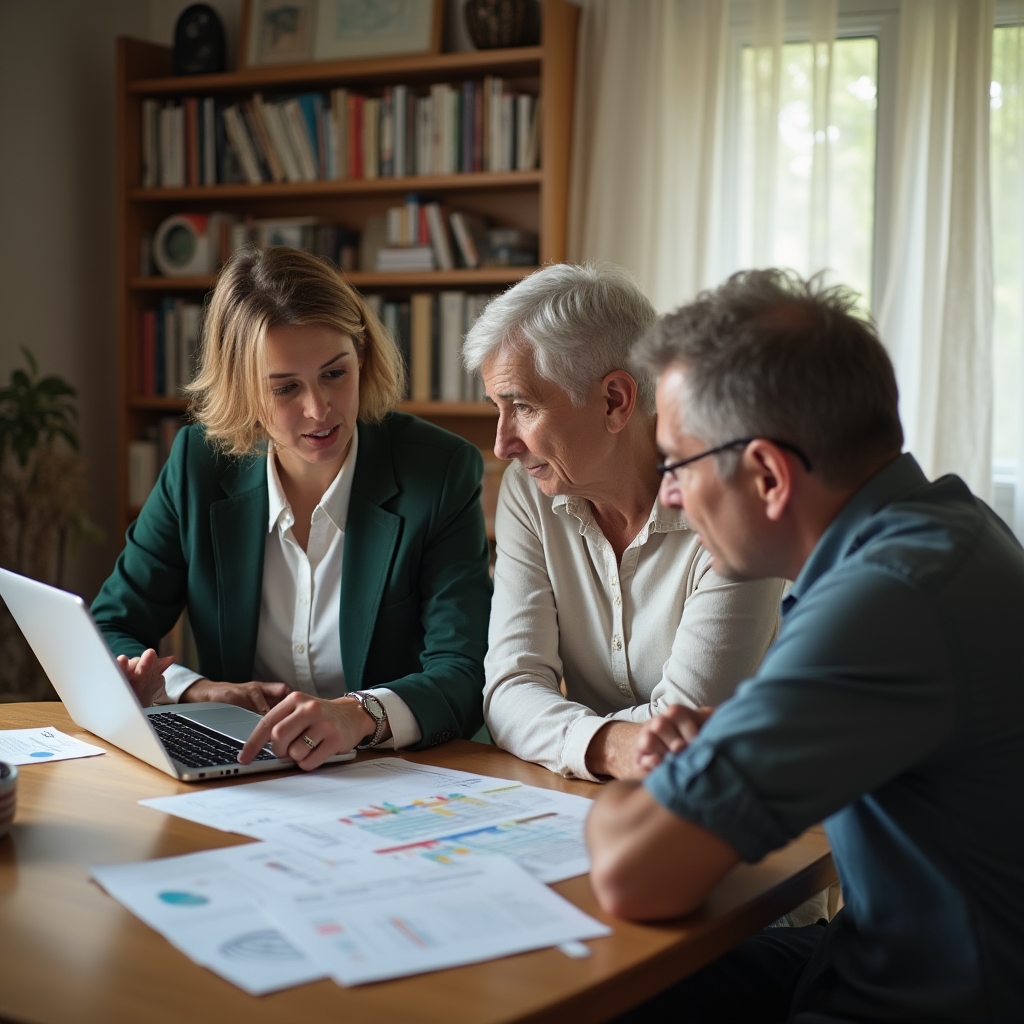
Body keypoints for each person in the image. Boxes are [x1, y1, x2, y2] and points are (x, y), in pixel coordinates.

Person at [586, 268, 1024, 1022]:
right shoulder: (945, 530)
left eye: (677, 464)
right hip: (878, 948)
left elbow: (634, 874)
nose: (667, 495)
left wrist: (628, 798)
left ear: (766, 474)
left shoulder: (885, 598)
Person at [92, 246, 492, 767]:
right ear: (244, 391)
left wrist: (358, 715)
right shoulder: (199, 466)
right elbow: (109, 628)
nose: (318, 409)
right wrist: (195, 690)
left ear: (362, 356)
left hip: (394, 774)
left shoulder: (438, 472)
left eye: (334, 373)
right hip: (247, 770)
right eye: (285, 388)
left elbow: (464, 672)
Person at [462, 263, 785, 781]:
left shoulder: (736, 504)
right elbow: (508, 690)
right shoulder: (530, 490)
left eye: (521, 406)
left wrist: (566, 737)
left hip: (750, 804)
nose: (502, 444)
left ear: (615, 400)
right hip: (599, 799)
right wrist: (609, 745)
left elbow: (690, 725)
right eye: (497, 409)